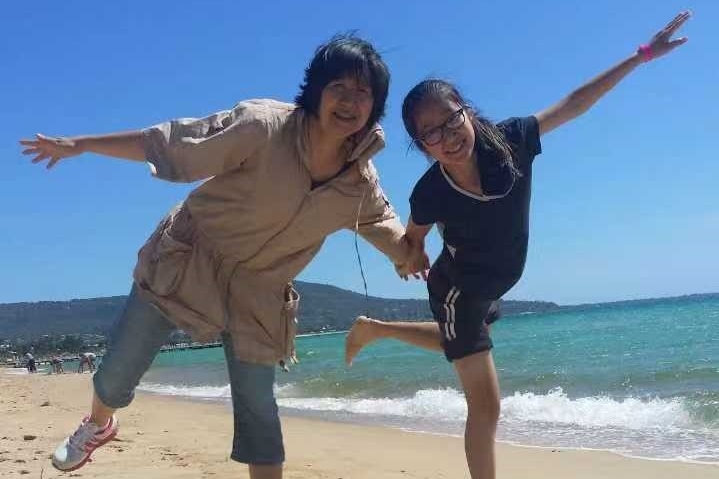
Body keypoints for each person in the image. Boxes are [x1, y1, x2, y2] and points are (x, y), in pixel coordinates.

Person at [20, 34, 413, 477]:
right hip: (191, 255)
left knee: (259, 413)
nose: (350, 101)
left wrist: (410, 255)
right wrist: (84, 144)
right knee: (116, 373)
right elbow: (174, 141)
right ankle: (97, 423)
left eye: (364, 92)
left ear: (375, 106)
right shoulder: (263, 126)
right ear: (316, 90)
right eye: (339, 87)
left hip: (261, 289)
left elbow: (386, 226)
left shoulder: (359, 179)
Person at [345, 12, 691, 479]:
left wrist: (642, 55)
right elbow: (413, 236)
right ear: (421, 145)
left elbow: (573, 104)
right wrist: (410, 255)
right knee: (486, 408)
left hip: (490, 287)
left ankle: (376, 329)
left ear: (466, 110)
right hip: (459, 290)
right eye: (432, 133)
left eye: (451, 120)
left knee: (464, 341)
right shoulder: (430, 192)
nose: (448, 137)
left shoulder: (510, 141)